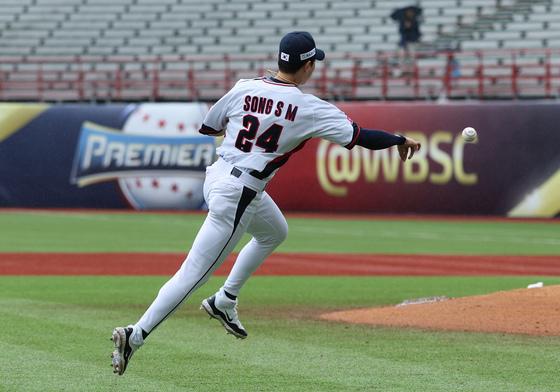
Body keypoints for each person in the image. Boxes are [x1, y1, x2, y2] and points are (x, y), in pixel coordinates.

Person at [110, 31, 421, 376]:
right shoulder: (308, 106)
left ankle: (225, 299)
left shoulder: (245, 87)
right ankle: (134, 335)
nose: (314, 68)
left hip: (219, 176)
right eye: (312, 62)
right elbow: (361, 136)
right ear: (305, 66)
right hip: (239, 191)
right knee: (192, 274)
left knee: (274, 232)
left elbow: (209, 126)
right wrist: (399, 139)